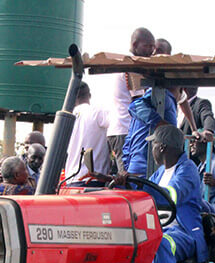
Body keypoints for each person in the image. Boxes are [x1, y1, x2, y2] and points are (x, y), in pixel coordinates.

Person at [138, 125, 207, 263]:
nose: (151, 150)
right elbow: (143, 191)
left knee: (159, 244)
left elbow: (171, 195)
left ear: (161, 147)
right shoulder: (160, 173)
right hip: (160, 228)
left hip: (183, 233)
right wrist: (121, 182)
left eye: (153, 145)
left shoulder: (187, 169)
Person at [107, 27, 156, 173]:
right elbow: (139, 102)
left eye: (153, 47)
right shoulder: (131, 68)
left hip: (120, 129)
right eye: (147, 46)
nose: (151, 51)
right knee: (129, 175)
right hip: (126, 129)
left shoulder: (126, 65)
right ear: (135, 45)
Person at [122, 86, 179, 176]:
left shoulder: (141, 113)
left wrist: (127, 167)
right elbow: (134, 105)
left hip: (135, 169)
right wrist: (159, 123)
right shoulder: (163, 97)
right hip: (149, 170)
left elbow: (128, 141)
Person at [65, 82, 110, 182]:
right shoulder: (98, 112)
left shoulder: (66, 118)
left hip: (70, 179)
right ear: (89, 95)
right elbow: (117, 130)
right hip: (94, 179)